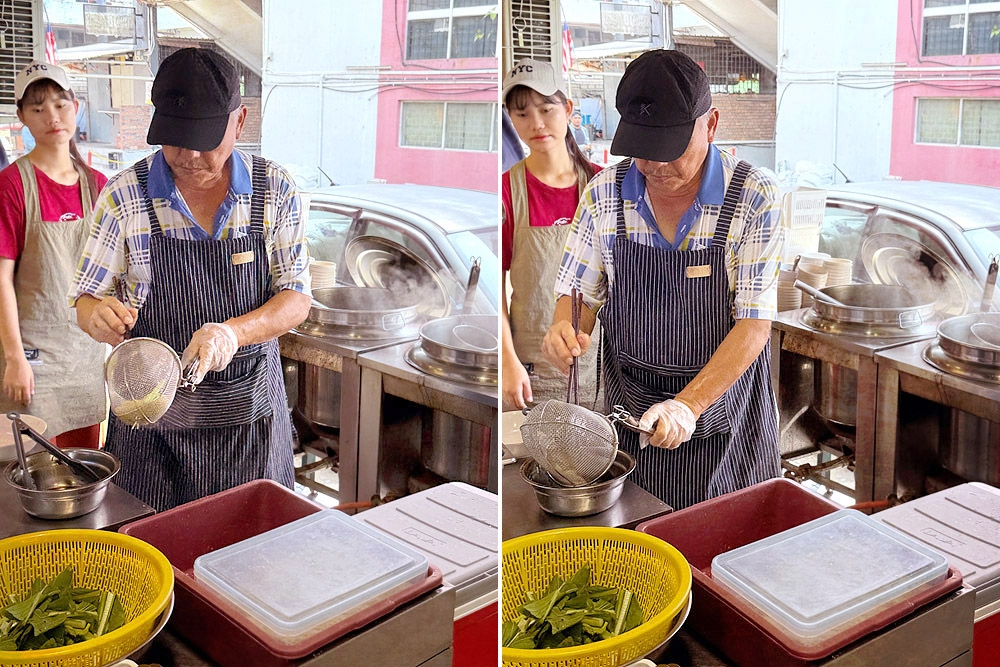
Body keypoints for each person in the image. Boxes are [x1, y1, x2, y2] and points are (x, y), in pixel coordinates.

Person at [541, 50, 783, 510]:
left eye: (669, 148)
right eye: (641, 149)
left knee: (719, 554)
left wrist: (685, 406)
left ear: (710, 125)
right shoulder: (605, 194)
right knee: (641, 548)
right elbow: (579, 291)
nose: (653, 166)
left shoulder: (753, 196)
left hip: (727, 423)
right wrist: (567, 328)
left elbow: (754, 325)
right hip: (633, 419)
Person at [71, 48, 311, 511]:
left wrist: (232, 333)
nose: (190, 154)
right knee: (154, 559)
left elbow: (296, 296)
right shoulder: (125, 196)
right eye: (176, 139)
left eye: (205, 138)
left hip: (250, 429)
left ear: (239, 123)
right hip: (151, 432)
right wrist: (95, 315)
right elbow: (86, 298)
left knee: (253, 560)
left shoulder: (274, 190)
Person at [0, 61, 109, 448]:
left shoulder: (98, 187)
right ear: (21, 118)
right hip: (35, 361)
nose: (52, 116)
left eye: (60, 104)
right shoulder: (12, 185)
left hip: (86, 357)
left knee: (84, 468)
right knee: (32, 470)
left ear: (76, 108)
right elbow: (2, 281)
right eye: (37, 108)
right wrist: (14, 357)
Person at [501, 58, 602, 410]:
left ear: (568, 109)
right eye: (522, 114)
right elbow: (493, 289)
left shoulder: (603, 186)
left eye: (546, 109)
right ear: (509, 118)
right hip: (532, 370)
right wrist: (508, 361)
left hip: (600, 366)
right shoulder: (506, 191)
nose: (537, 123)